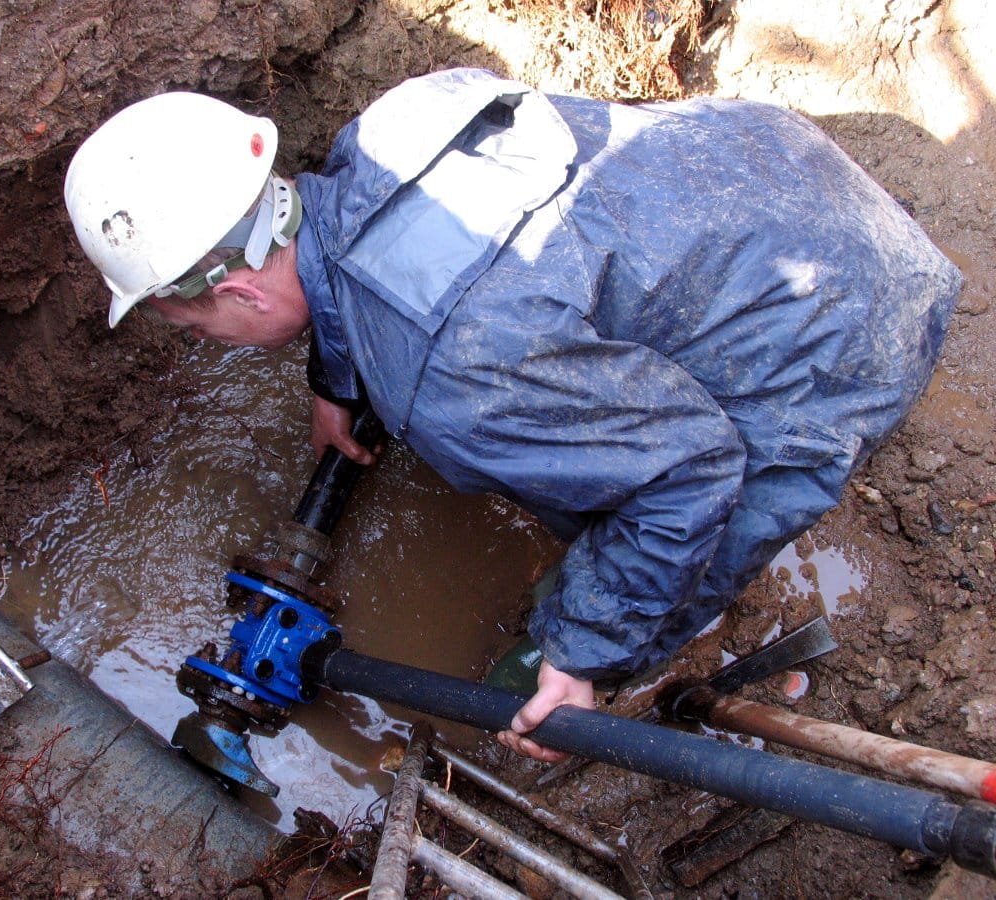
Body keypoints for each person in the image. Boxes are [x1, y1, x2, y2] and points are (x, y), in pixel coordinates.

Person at [64, 68, 960, 762]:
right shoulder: (389, 130)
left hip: (849, 329)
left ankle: (591, 658)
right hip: (774, 172)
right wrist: (337, 377)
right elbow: (357, 268)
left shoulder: (451, 383)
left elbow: (694, 471)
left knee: (660, 539)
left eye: (190, 321)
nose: (200, 339)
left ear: (238, 288)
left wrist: (579, 653)